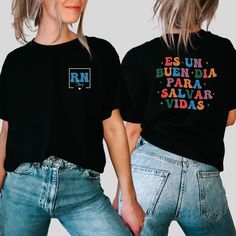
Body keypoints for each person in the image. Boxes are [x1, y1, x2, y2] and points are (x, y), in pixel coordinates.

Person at [0, 0, 145, 235]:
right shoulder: (16, 62)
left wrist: (128, 198)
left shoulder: (99, 54)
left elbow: (114, 128)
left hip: (83, 191)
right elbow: (7, 132)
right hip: (21, 190)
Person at [115, 0, 236, 235]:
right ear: (209, 6)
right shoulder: (224, 51)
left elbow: (131, 131)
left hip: (149, 173)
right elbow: (230, 117)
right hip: (203, 174)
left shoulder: (140, 56)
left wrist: (122, 194)